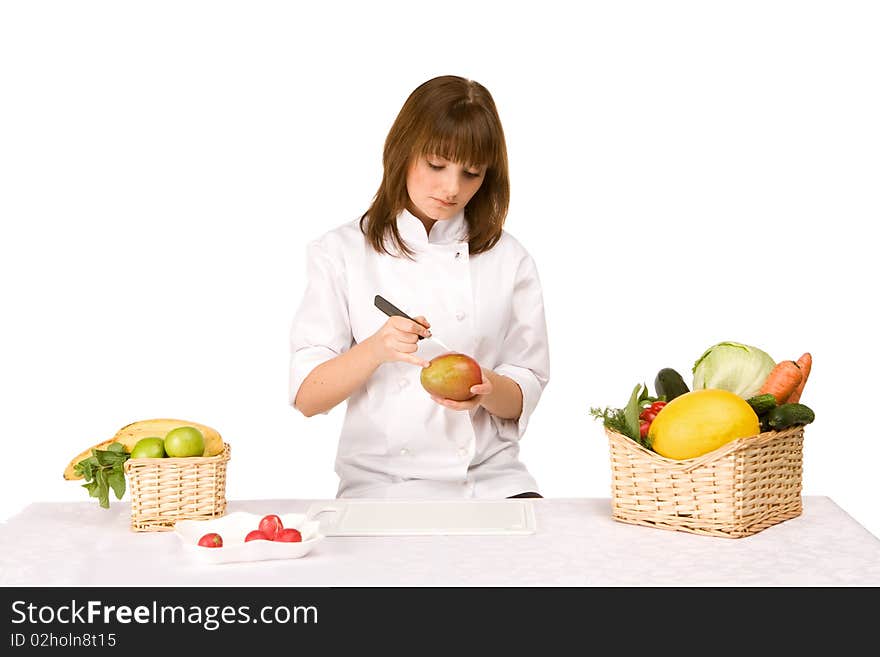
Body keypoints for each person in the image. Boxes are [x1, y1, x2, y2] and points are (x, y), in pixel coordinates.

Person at [288, 75, 550, 500]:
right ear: (403, 150)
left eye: (471, 173)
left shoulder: (509, 258)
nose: (452, 189)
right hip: (381, 488)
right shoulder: (339, 252)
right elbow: (307, 398)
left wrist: (485, 387)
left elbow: (525, 388)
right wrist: (375, 349)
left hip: (490, 483)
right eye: (436, 165)